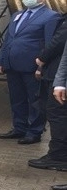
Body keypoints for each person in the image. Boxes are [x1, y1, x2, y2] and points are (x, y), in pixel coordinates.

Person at [0, 0, 60, 144]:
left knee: (35, 101)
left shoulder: (51, 16)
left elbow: (49, 44)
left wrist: (42, 66)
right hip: (12, 65)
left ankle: (34, 131)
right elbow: (9, 40)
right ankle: (19, 128)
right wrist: (1, 60)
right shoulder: (17, 15)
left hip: (32, 66)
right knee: (17, 99)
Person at [29, 15, 67, 171]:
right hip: (58, 75)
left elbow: (58, 42)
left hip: (58, 75)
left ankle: (58, 156)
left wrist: (42, 58)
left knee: (56, 113)